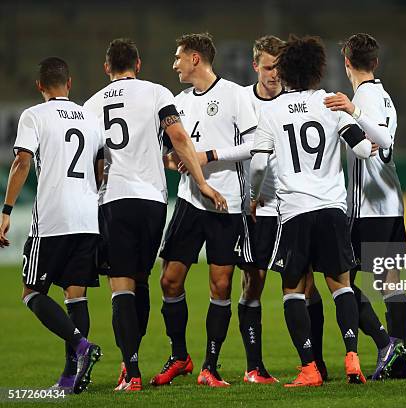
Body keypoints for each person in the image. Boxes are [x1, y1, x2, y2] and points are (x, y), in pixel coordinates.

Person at [84, 38, 225, 391]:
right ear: (139, 63)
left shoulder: (91, 104)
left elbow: (94, 162)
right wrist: (202, 184)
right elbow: (178, 136)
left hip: (113, 198)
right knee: (143, 278)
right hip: (152, 200)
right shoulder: (159, 93)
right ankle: (130, 363)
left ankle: (130, 371)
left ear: (106, 68)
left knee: (121, 288)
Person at [250, 34, 372, 387]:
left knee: (293, 290)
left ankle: (309, 369)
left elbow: (258, 166)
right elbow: (362, 150)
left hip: (295, 210)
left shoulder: (271, 111)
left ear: (285, 72)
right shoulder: (330, 103)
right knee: (341, 286)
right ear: (318, 70)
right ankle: (352, 356)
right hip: (332, 208)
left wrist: (252, 198)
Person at [155, 33, 260, 387]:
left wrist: (208, 155)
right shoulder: (176, 101)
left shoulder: (235, 95)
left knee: (220, 286)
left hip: (226, 203)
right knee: (169, 280)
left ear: (196, 59)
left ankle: (210, 367)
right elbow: (168, 153)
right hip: (189, 201)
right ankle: (179, 355)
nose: (175, 64)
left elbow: (254, 145)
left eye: (179, 57)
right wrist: (176, 160)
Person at [0, 57, 102, 394]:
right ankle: (71, 377)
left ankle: (82, 346)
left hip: (53, 218)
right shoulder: (90, 116)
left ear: (40, 86)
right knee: (76, 296)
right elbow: (100, 166)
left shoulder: (34, 115)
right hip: (88, 217)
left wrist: (6, 209)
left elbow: (22, 161)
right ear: (69, 83)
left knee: (31, 293)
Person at [324, 33, 406, 379]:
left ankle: (384, 346)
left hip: (367, 208)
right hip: (393, 204)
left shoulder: (361, 99)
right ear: (375, 62)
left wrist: (353, 110)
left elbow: (384, 140)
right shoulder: (386, 97)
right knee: (391, 283)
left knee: (339, 277)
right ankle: (399, 361)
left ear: (347, 64)